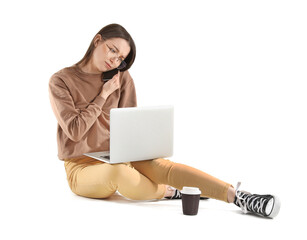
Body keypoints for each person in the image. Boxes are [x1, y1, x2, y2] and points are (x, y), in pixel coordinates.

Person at [48, 23, 280, 218]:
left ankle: (239, 197)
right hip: (81, 167)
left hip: (117, 154)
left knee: (163, 166)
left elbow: (129, 124)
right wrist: (104, 94)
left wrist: (144, 150)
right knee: (118, 172)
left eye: (121, 58)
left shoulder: (122, 78)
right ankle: (169, 192)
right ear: (97, 40)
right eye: (112, 50)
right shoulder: (61, 80)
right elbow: (75, 131)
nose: (115, 61)